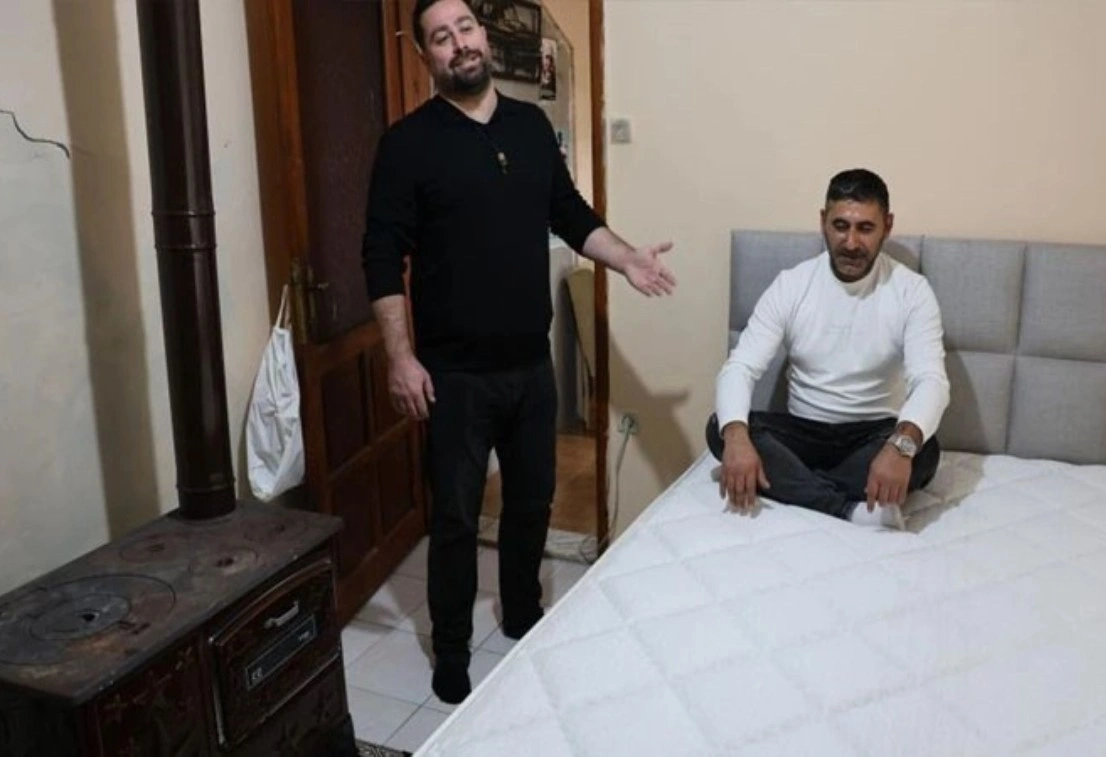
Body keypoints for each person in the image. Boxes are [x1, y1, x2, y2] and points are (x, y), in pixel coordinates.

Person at [360, 0, 676, 705]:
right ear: (425, 56)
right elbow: (381, 254)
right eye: (441, 37)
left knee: (531, 503)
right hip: (454, 376)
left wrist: (626, 259)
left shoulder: (530, 127)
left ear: (483, 36)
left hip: (531, 366)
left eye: (465, 28)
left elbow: (570, 212)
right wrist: (400, 357)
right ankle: (450, 649)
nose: (459, 44)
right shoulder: (407, 145)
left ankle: (522, 611)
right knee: (454, 519)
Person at [707, 169, 948, 529]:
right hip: (803, 434)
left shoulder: (912, 291)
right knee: (721, 428)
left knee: (925, 451)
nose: (851, 242)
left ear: (887, 226)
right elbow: (740, 367)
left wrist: (900, 446)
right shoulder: (792, 285)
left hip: (874, 437)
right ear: (823, 222)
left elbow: (931, 381)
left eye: (865, 228)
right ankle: (845, 508)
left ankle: (796, 484)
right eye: (840, 226)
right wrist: (737, 438)